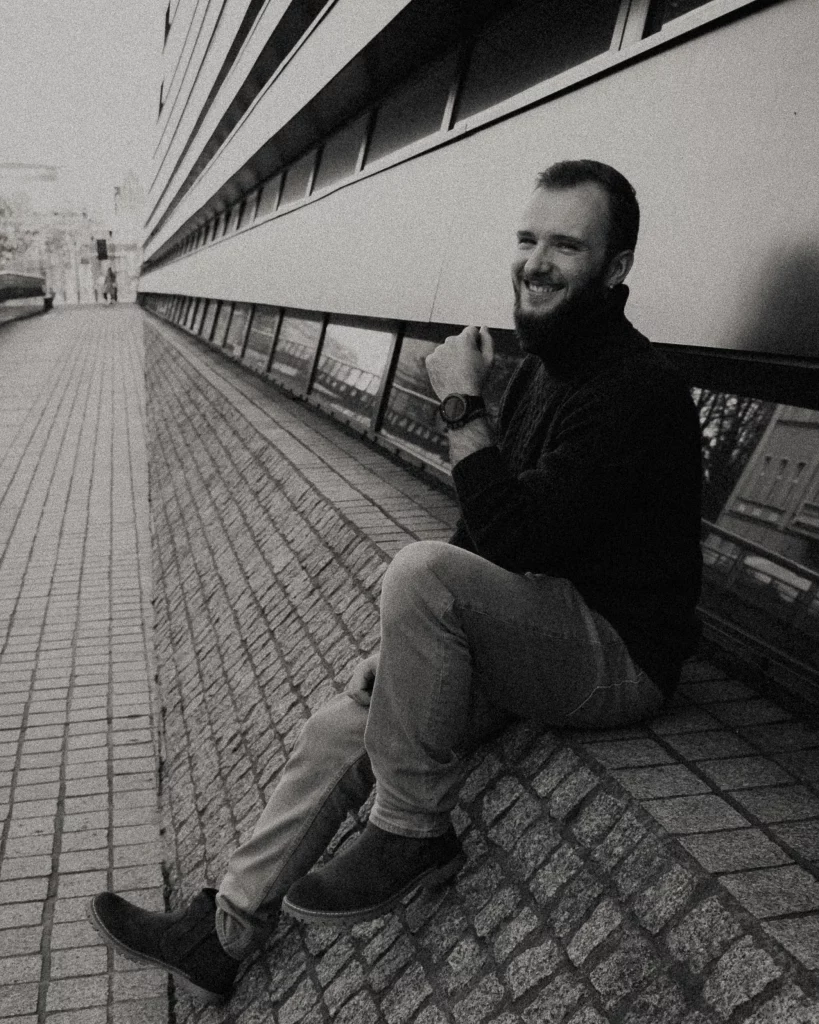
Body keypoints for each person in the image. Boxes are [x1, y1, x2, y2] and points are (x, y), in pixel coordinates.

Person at [88, 160, 702, 1005]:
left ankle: (412, 831)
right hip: (537, 627)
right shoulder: (540, 369)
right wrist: (402, 644)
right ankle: (220, 932)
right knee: (343, 721)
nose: (535, 262)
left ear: (615, 266)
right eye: (527, 239)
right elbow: (482, 535)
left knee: (419, 571)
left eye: (566, 245)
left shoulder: (636, 389)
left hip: (617, 654)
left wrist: (460, 408)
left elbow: (515, 538)